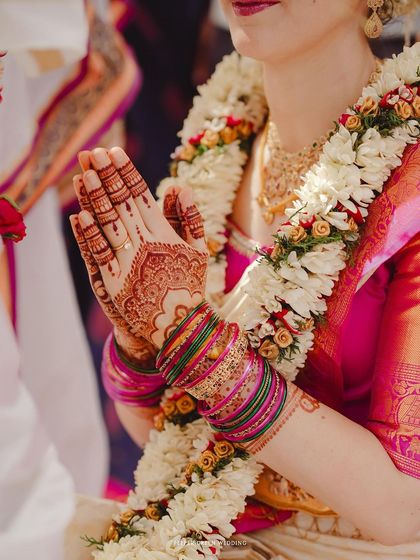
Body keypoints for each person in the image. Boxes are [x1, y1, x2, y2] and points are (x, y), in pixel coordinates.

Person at [69, 1, 419, 558]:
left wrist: (195, 343)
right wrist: (142, 341)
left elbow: (405, 505)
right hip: (203, 530)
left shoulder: (412, 187)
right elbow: (169, 437)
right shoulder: (224, 134)